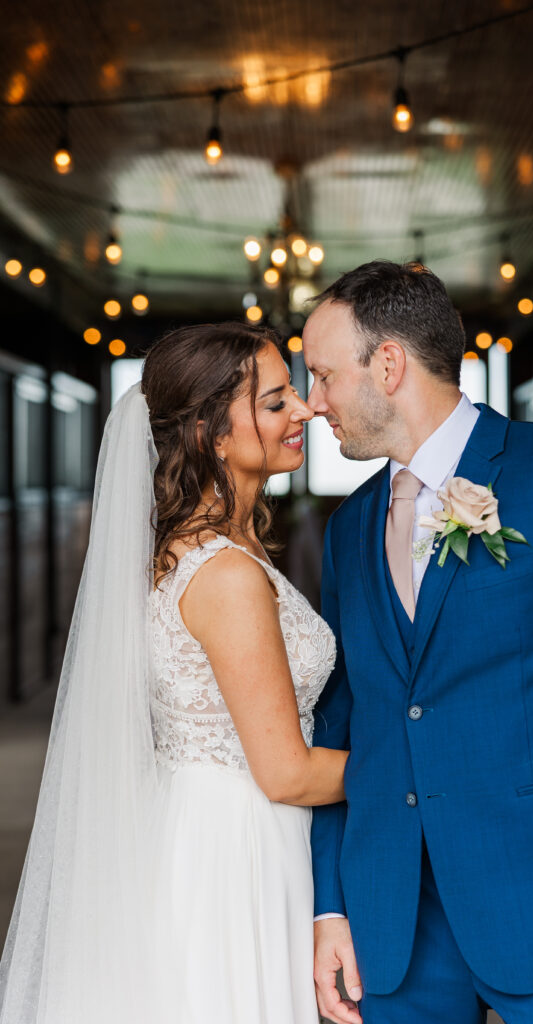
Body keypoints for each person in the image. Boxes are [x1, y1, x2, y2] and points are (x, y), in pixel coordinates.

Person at [304, 260, 533, 1024]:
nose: (313, 405)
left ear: (387, 364)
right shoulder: (348, 530)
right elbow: (346, 723)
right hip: (394, 923)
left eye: (320, 375)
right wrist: (330, 908)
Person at [0, 322, 346, 1024]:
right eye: (277, 401)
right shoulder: (224, 576)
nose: (304, 410)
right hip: (237, 847)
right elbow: (285, 772)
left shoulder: (195, 549)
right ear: (215, 434)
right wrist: (430, 765)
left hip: (205, 827)